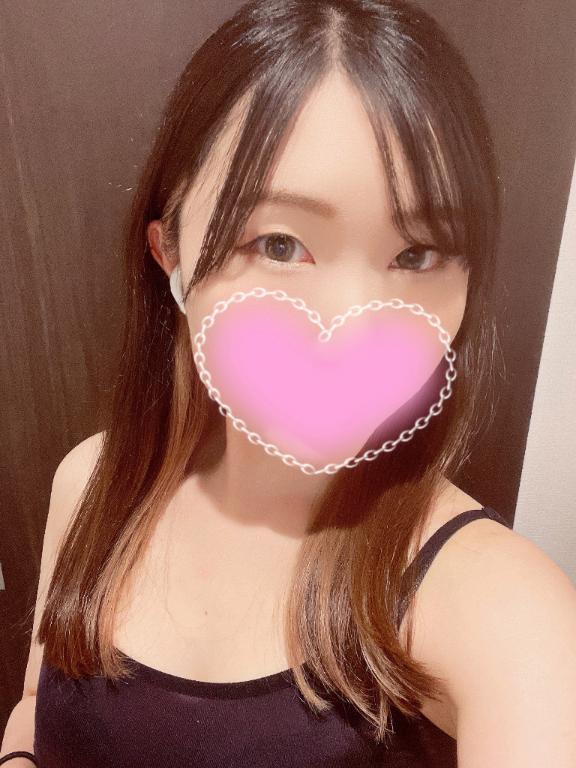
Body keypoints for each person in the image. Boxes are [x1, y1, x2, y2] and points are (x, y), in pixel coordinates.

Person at [3, 0, 576, 766]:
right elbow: (37, 708)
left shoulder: (499, 602)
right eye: (280, 243)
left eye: (417, 255)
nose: (352, 324)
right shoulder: (92, 482)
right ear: (170, 253)